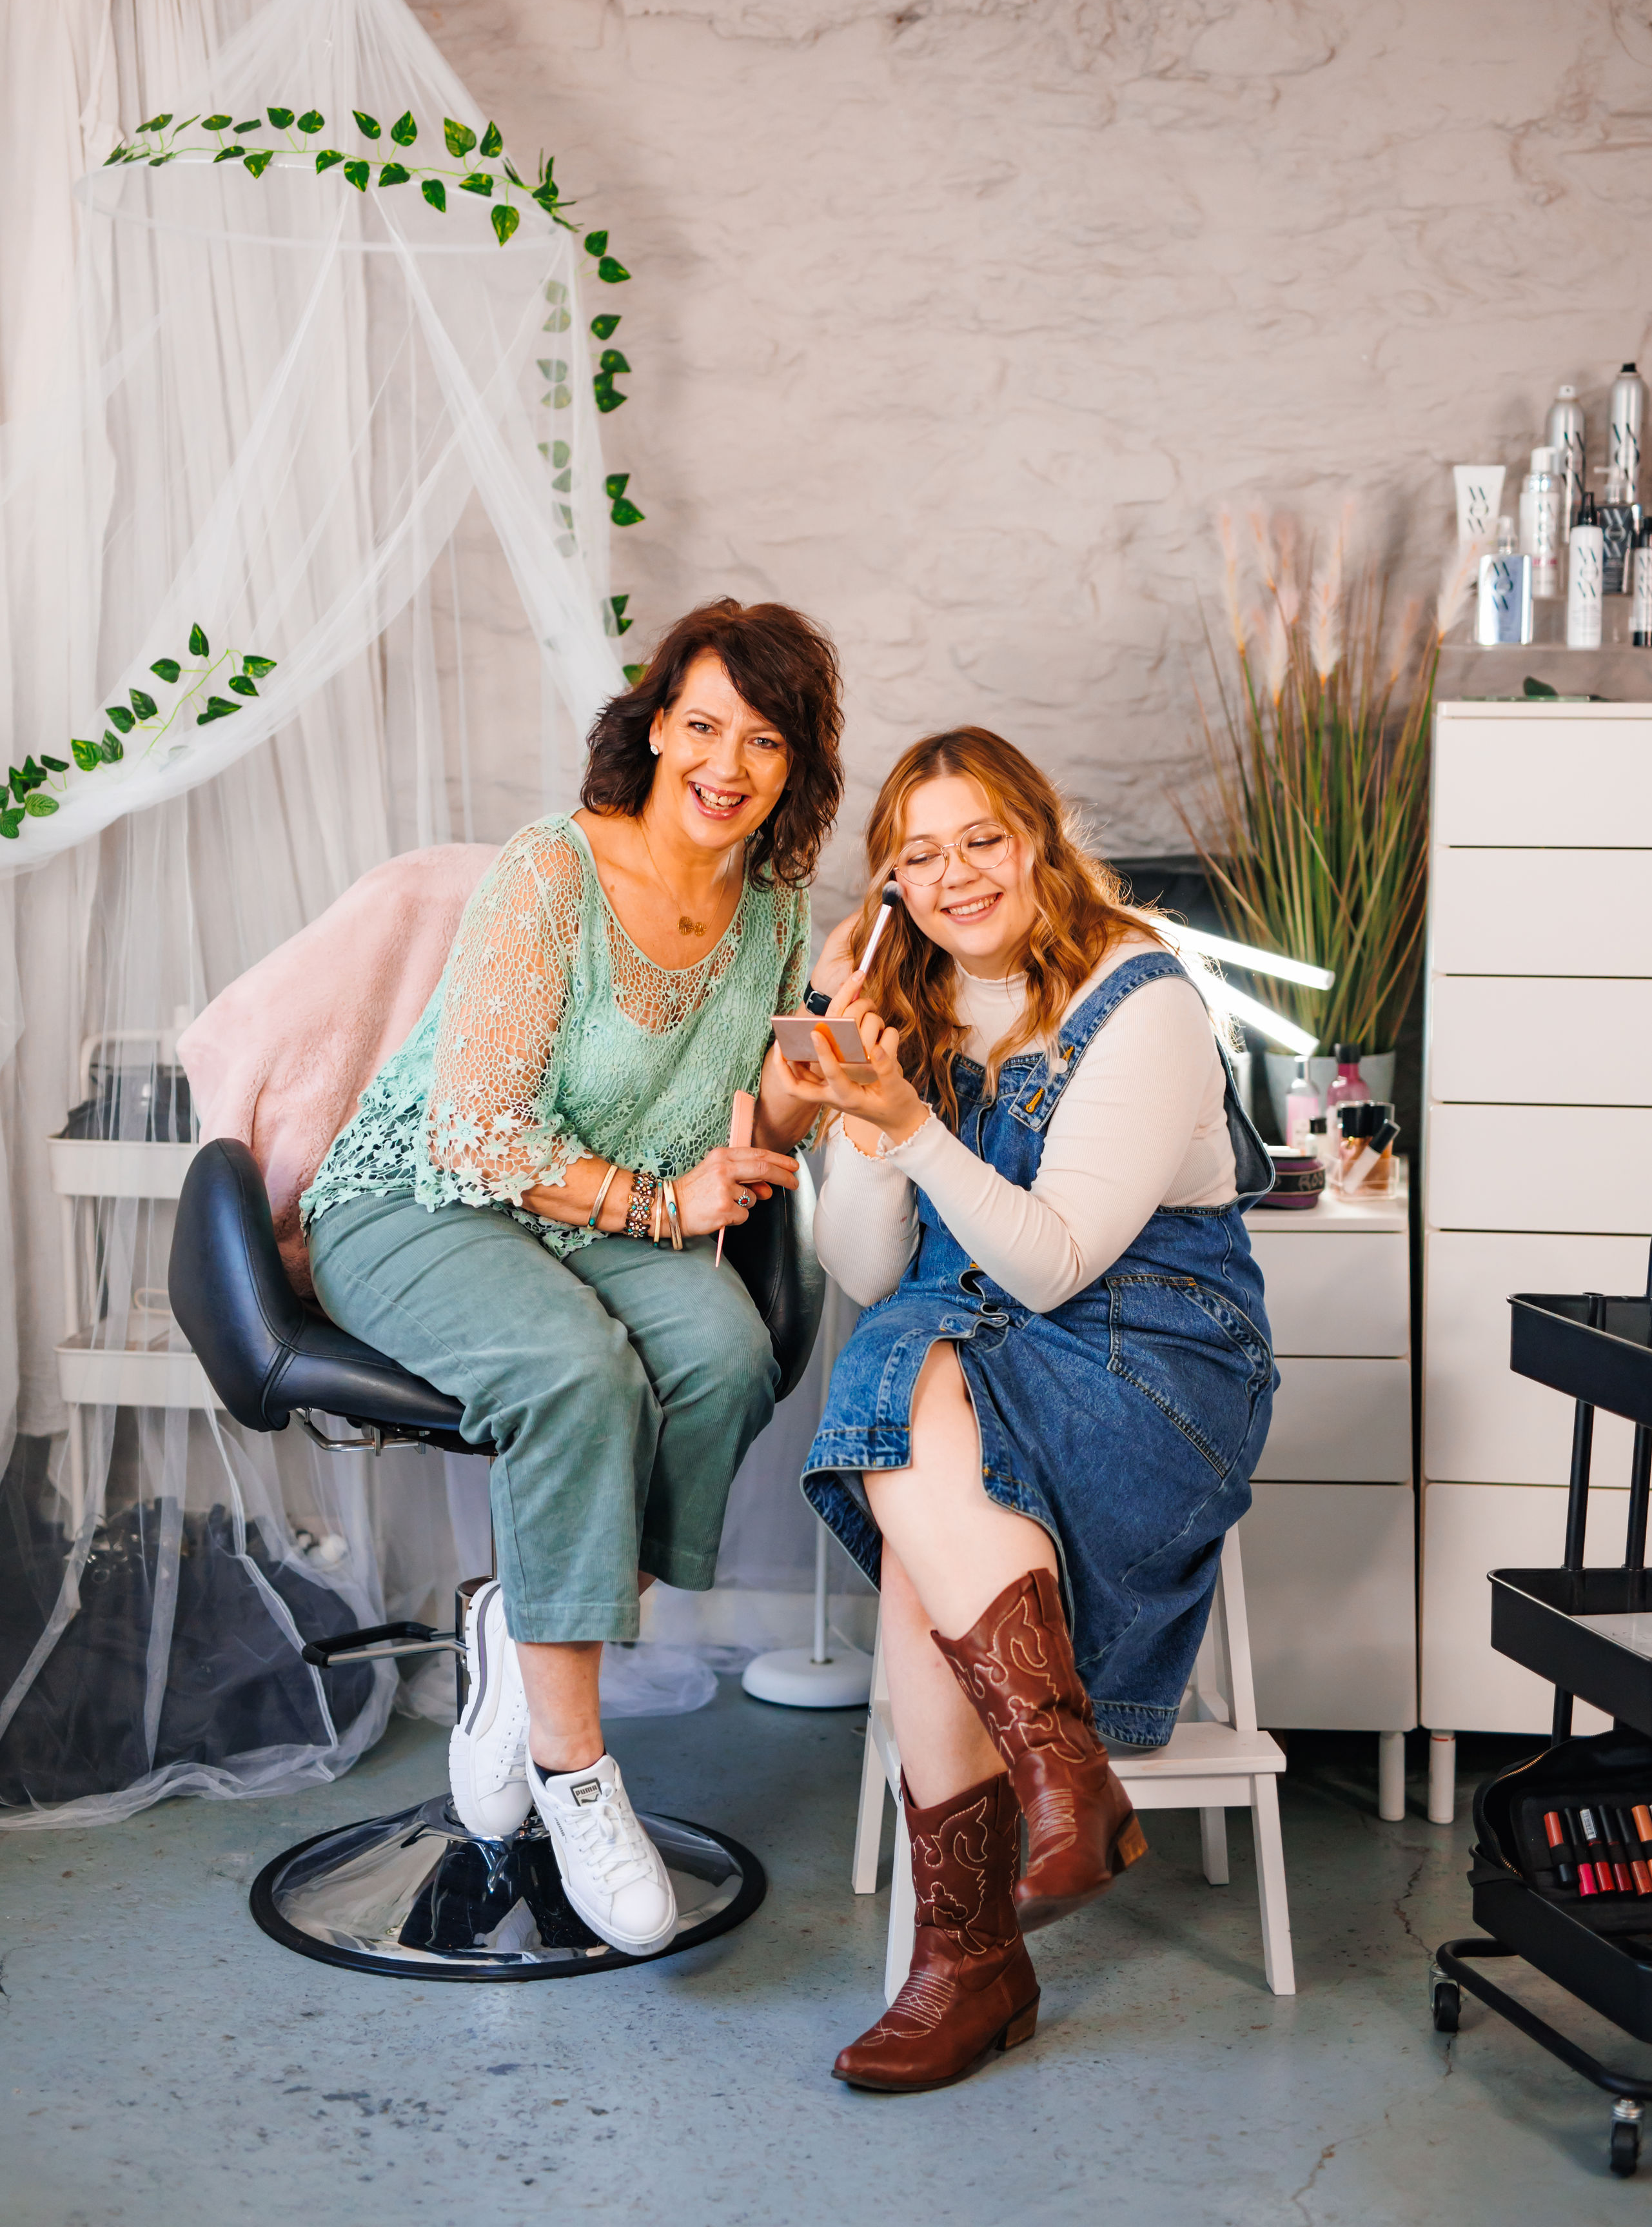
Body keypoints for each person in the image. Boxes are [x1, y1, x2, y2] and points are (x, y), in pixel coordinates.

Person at [300, 599, 841, 1956]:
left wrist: (795, 1099)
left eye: (764, 742)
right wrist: (665, 1204)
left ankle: (520, 1642)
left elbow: (747, 1123)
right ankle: (575, 1770)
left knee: (726, 1359)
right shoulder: (554, 870)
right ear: (657, 726)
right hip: (420, 1194)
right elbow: (476, 1128)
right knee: (579, 1373)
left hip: (597, 1215)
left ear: (795, 766)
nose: (727, 764)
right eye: (704, 725)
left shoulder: (775, 908)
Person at [774, 725, 1275, 2091]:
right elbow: (869, 1266)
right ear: (890, 895)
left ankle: (970, 1958)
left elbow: (1056, 1261)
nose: (955, 877)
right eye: (917, 859)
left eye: (979, 840)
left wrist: (915, 1127)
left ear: (1039, 841)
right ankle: (1061, 1787)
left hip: (1156, 1366)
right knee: (897, 1359)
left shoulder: (1143, 996)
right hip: (981, 1352)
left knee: (901, 1393)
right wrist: (858, 1087)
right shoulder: (915, 1014)